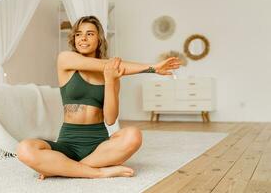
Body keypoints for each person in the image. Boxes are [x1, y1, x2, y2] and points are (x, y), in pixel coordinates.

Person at [16, 16, 181, 180]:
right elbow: (110, 65)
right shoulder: (66, 59)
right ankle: (98, 172)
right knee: (24, 148)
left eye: (90, 34)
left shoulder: (112, 74)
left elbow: (110, 119)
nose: (83, 38)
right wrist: (152, 68)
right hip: (67, 143)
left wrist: (110, 80)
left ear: (99, 38)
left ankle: (64, 168)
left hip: (98, 147)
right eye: (78, 34)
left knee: (134, 135)